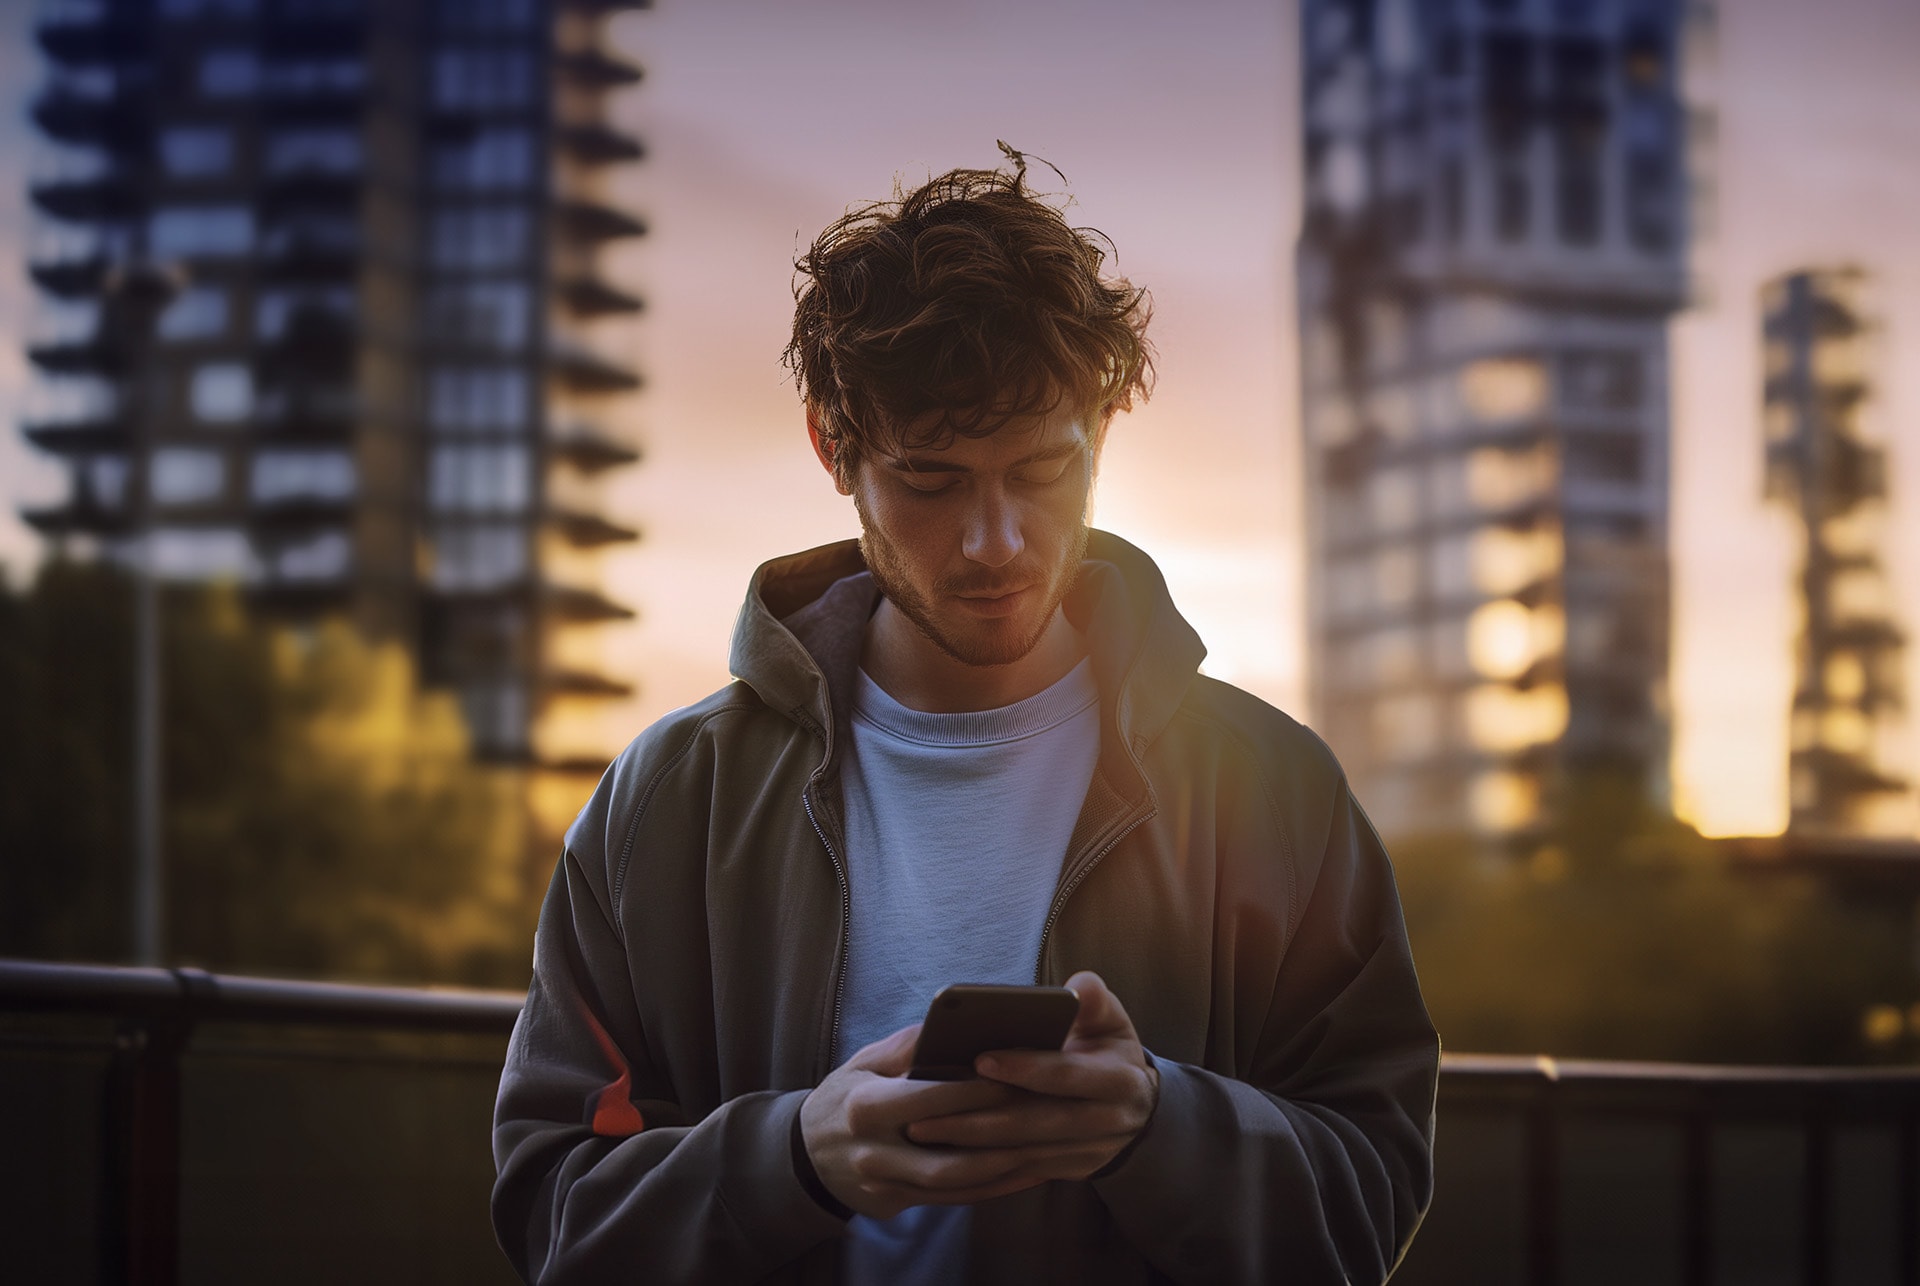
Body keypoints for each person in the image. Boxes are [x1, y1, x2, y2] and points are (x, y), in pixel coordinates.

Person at [491, 154, 1438, 1285]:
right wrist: (791, 1159)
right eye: (932, 481)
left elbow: (1371, 1203)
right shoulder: (666, 804)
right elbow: (552, 1214)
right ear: (831, 446)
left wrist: (1158, 1128)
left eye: (1042, 471)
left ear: (1105, 429)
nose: (996, 541)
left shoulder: (1275, 791)